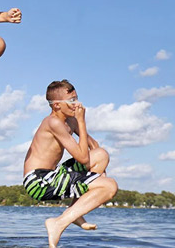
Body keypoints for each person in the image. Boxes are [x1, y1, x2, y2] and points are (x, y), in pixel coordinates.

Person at [23, 79, 118, 248]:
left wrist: (99, 174)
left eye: (77, 99)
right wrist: (82, 121)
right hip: (38, 181)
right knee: (109, 187)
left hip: (53, 175)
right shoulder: (53, 123)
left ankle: (74, 214)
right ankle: (59, 222)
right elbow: (82, 158)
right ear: (57, 105)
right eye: (72, 101)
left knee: (101, 155)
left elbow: (94, 148)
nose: (77, 105)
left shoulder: (69, 121)